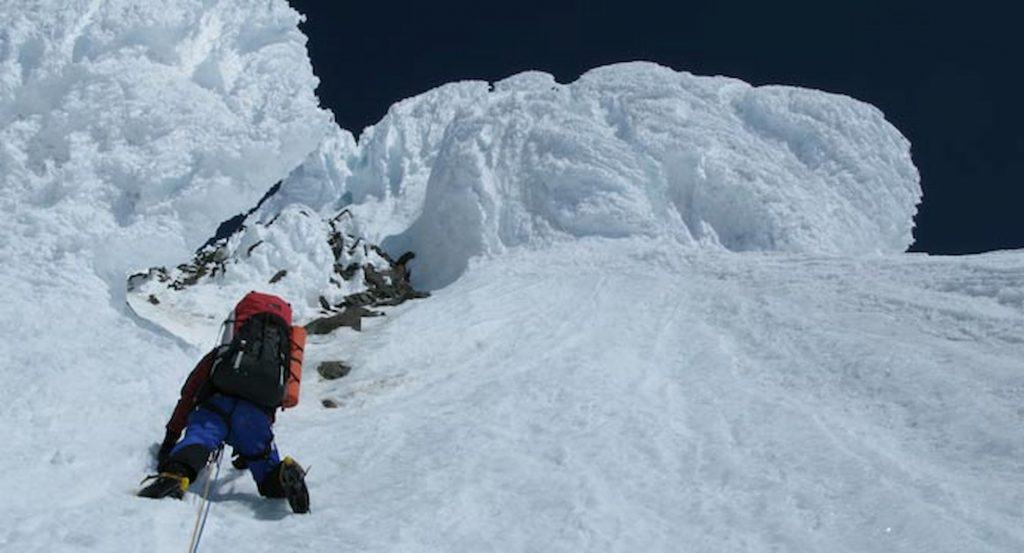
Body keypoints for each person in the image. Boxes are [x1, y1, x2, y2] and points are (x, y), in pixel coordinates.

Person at [138, 291, 310, 514]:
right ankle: (280, 475)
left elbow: (189, 394)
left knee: (199, 438)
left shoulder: (222, 355)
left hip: (216, 405)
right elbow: (272, 405)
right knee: (263, 463)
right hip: (254, 416)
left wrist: (171, 437)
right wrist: (247, 453)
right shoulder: (276, 362)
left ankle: (176, 474)